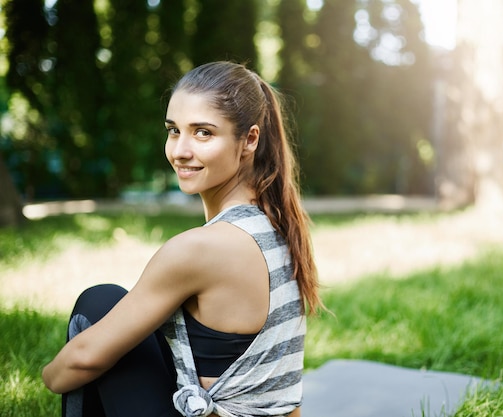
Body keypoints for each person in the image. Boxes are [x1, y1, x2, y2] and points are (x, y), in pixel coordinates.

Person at [42, 61, 322, 417]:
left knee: (98, 304)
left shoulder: (201, 249)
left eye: (203, 132)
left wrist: (46, 376)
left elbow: (83, 361)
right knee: (116, 309)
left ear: (250, 139)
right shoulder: (279, 225)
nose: (180, 151)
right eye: (174, 130)